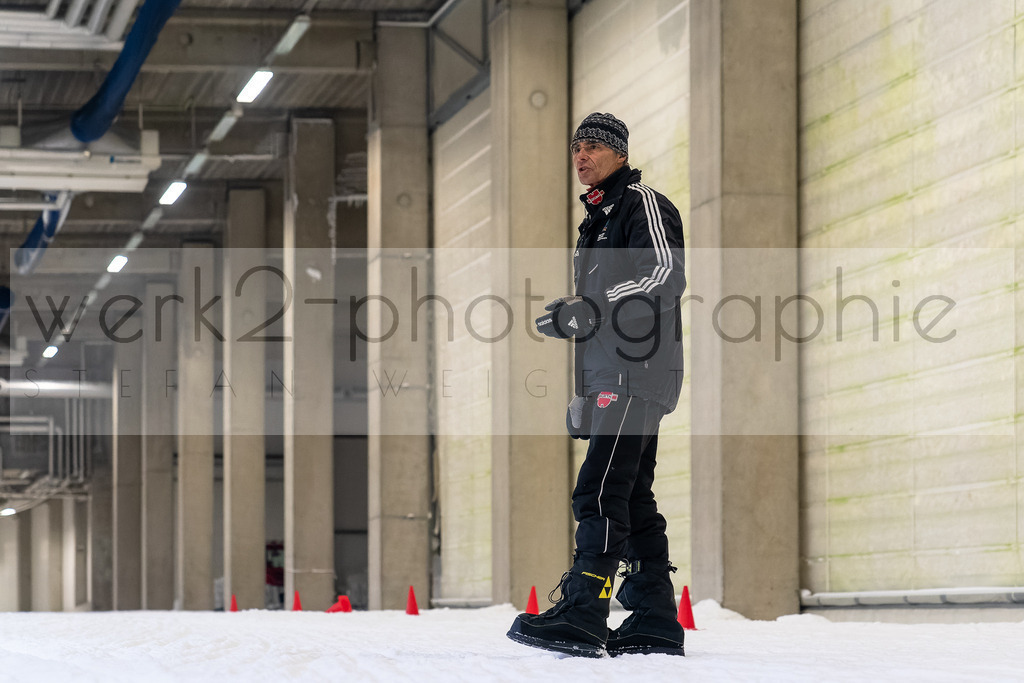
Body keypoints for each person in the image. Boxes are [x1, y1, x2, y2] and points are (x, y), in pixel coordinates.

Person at [506, 112, 687, 657]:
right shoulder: (596, 219)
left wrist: (589, 307)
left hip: (637, 374)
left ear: (620, 154)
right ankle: (656, 616)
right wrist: (573, 319)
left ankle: (585, 609)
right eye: (575, 148)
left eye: (592, 147)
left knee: (599, 490)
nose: (580, 156)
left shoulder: (642, 204)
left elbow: (665, 276)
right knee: (631, 496)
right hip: (614, 376)